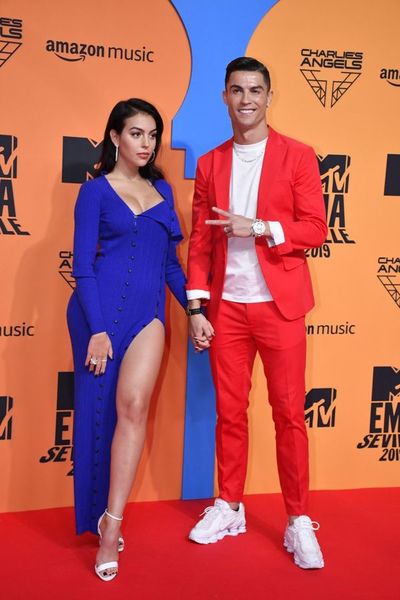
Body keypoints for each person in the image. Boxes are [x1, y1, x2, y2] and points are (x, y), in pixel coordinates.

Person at [186, 57, 328, 569]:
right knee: (229, 413)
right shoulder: (211, 164)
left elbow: (316, 229)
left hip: (279, 308)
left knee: (289, 415)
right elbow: (200, 242)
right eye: (236, 90)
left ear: (269, 96)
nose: (246, 99)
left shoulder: (298, 155)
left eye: (255, 90)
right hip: (227, 310)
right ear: (224, 97)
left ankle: (298, 520)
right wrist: (196, 307)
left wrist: (262, 227)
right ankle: (229, 505)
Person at [67, 98, 187, 581]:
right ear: (115, 137)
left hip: (146, 315)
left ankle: (112, 526)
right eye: (137, 133)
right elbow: (82, 267)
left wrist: (195, 309)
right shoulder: (94, 192)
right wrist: (97, 330)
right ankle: (97, 516)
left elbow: (170, 265)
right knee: (98, 415)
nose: (147, 143)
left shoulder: (163, 191)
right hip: (96, 316)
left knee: (134, 406)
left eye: (153, 135)